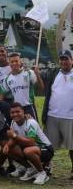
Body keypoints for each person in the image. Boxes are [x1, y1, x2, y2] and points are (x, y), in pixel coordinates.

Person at [3, 102, 54, 185]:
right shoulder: (13, 122)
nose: (15, 114)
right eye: (12, 112)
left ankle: (42, 173)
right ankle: (30, 169)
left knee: (28, 151)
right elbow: (13, 139)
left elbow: (31, 142)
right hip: (30, 147)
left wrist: (15, 136)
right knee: (9, 149)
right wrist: (7, 145)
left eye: (18, 112)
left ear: (23, 112)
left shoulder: (30, 123)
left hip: (45, 148)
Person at [41, 50, 73, 179]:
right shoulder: (53, 73)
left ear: (72, 60)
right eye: (62, 59)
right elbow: (40, 79)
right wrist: (37, 72)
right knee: (48, 145)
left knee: (72, 147)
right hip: (52, 115)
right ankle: (46, 166)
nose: (64, 61)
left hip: (70, 117)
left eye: (66, 59)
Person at [0, 52, 43, 119]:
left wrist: (37, 75)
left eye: (16, 61)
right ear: (9, 63)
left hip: (29, 107)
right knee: (19, 129)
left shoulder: (29, 73)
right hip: (16, 110)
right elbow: (2, 94)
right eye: (12, 61)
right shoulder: (7, 79)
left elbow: (41, 88)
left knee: (33, 128)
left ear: (20, 62)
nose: (14, 63)